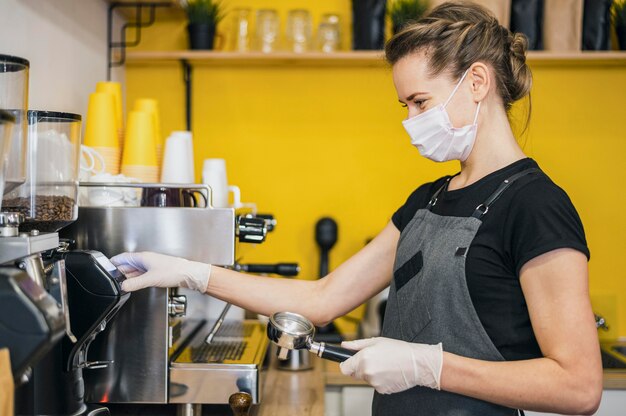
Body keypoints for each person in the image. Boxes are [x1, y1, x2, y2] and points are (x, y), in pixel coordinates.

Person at [111, 2, 602, 415]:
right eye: (404, 105)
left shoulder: (535, 205)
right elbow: (322, 299)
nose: (409, 121)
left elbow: (578, 386)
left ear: (476, 82)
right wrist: (189, 272)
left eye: (419, 101)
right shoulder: (428, 199)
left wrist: (427, 366)